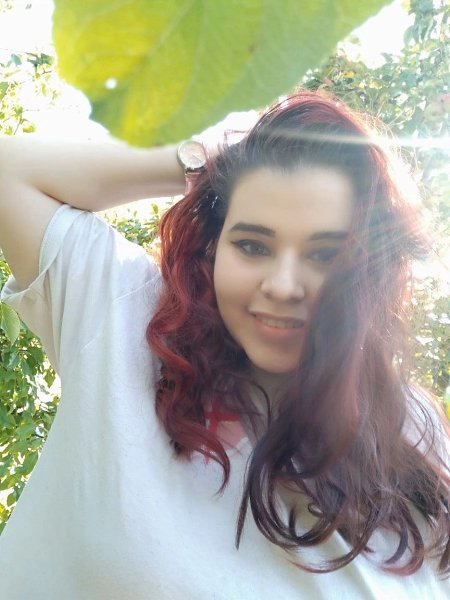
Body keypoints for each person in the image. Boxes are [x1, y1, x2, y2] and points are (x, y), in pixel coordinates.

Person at [0, 90, 448, 599]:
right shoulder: (125, 317)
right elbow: (10, 171)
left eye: (325, 255)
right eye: (253, 245)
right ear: (213, 247)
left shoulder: (410, 424)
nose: (283, 286)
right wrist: (207, 157)